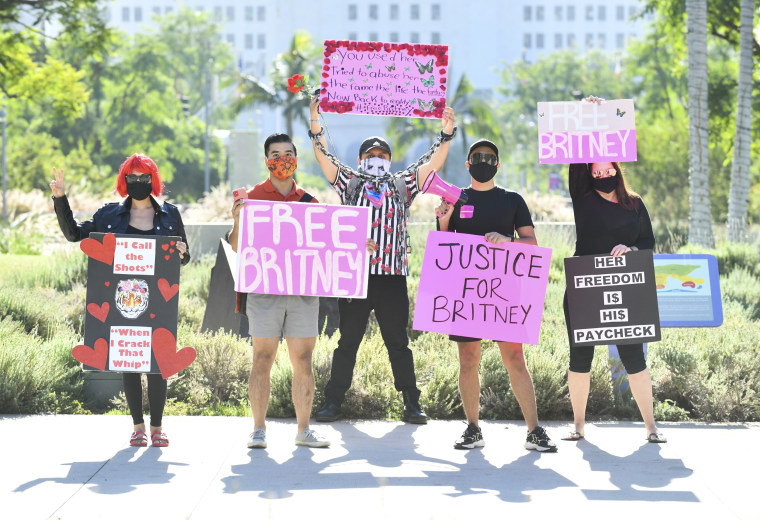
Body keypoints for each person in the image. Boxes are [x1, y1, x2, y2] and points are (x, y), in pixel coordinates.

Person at [308, 96, 456, 424]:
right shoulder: (352, 183)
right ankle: (334, 402)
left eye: (382, 155)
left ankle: (411, 403)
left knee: (398, 343)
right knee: (347, 342)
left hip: (392, 277)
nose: (376, 159)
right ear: (360, 159)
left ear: (390, 159)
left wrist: (446, 134)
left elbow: (432, 165)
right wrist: (315, 120)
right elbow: (323, 158)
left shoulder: (402, 185)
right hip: (357, 277)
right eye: (370, 155)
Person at [51, 153, 190, 448]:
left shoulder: (170, 214)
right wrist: (60, 198)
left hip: (158, 300)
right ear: (124, 180)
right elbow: (75, 233)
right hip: (121, 299)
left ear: (154, 180)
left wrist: (181, 252)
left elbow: (185, 254)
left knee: (157, 360)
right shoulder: (108, 214)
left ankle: (157, 427)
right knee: (130, 360)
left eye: (144, 177)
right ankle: (138, 426)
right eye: (133, 177)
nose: (138, 182)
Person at [435, 139, 558, 452]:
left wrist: (508, 240)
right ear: (467, 164)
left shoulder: (512, 200)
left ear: (498, 165)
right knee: (468, 360)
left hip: (504, 295)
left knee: (515, 358)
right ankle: (473, 428)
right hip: (467, 294)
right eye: (477, 157)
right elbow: (443, 244)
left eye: (490, 157)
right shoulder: (457, 198)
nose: (484, 161)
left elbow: (532, 242)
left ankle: (535, 431)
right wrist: (444, 217)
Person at [563, 99, 666, 444]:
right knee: (580, 356)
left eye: (608, 171)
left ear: (618, 171)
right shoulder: (582, 196)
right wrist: (592, 115)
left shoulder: (634, 203)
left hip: (625, 286)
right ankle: (578, 426)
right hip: (585, 287)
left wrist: (633, 250)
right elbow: (577, 154)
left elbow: (649, 244)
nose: (602, 175)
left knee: (634, 355)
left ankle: (651, 426)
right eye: (596, 172)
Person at [227, 133, 330, 449]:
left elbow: (326, 244)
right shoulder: (251, 198)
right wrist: (237, 221)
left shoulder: (310, 202)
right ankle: (258, 429)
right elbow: (235, 246)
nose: (283, 159)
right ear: (266, 160)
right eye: (276, 153)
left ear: (296, 159)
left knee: (303, 359)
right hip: (264, 291)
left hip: (302, 291)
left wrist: (356, 246)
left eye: (288, 153)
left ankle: (303, 430)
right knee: (262, 357)